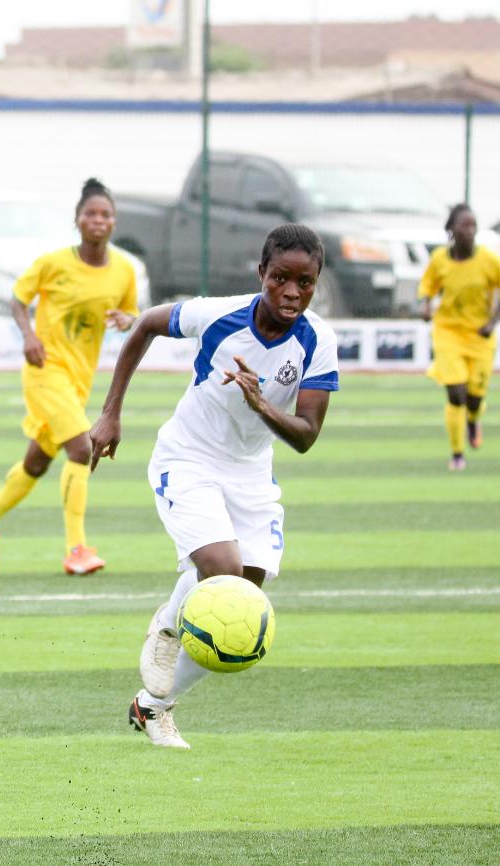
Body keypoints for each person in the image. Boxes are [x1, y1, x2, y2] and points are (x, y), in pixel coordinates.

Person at [89, 224, 338, 749]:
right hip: (188, 458)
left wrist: (263, 405)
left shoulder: (317, 341)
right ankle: (167, 623)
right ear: (261, 275)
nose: (292, 292)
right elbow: (145, 326)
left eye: (306, 282)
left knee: (243, 602)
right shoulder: (219, 315)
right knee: (220, 571)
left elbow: (307, 436)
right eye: (280, 279)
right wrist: (111, 413)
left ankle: (152, 706)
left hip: (251, 474)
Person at [0, 178, 138, 575]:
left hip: (78, 380)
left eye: (106, 214)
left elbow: (130, 317)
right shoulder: (53, 262)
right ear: (77, 220)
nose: (98, 220)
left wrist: (127, 320)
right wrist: (28, 335)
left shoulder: (123, 271)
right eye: (90, 213)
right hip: (45, 372)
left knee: (38, 462)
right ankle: (77, 549)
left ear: (114, 222)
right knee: (81, 448)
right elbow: (18, 299)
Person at [418, 203, 500, 471]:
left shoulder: (490, 261)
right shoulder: (439, 260)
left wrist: (493, 322)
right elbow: (427, 287)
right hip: (448, 332)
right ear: (451, 229)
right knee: (456, 392)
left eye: (473, 225)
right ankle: (457, 455)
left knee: (475, 397)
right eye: (464, 225)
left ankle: (473, 419)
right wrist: (424, 306)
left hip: (480, 335)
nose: (469, 230)